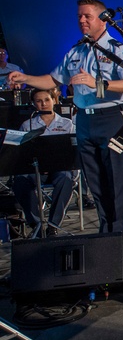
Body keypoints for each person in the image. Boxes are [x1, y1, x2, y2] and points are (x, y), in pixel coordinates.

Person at [8, 0, 123, 235]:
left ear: (103, 19)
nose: (81, 20)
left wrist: (98, 83)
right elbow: (53, 79)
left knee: (118, 179)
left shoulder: (118, 50)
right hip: (86, 120)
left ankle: (120, 233)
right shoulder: (76, 51)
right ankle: (106, 230)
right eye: (79, 16)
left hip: (112, 117)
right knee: (95, 180)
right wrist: (25, 78)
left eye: (87, 16)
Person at [11, 88, 76, 236]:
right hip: (35, 169)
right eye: (39, 101)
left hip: (59, 168)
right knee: (20, 180)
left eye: (47, 100)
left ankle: (53, 224)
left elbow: (72, 151)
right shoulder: (28, 125)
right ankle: (36, 224)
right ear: (34, 104)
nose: (43, 104)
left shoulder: (67, 123)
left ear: (54, 100)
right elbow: (21, 153)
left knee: (66, 179)